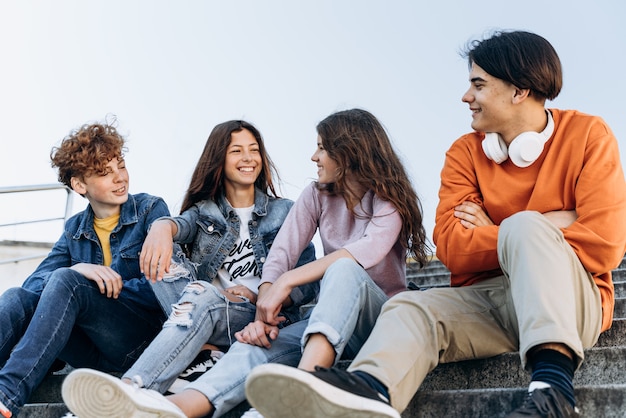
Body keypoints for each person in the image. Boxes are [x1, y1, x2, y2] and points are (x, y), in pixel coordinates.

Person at [243, 30, 626, 418]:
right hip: (492, 301)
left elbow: (606, 241)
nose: (466, 96)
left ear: (519, 90)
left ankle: (553, 392)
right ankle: (370, 391)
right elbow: (453, 249)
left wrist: (508, 227)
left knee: (525, 227)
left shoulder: (588, 135)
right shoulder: (464, 153)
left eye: (478, 84)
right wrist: (548, 223)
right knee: (411, 305)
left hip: (571, 299)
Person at [61, 108, 430, 418]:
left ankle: (307, 384)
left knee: (344, 270)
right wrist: (264, 308)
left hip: (378, 324)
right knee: (253, 347)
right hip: (319, 326)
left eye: (321, 149)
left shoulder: (388, 201)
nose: (314, 157)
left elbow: (359, 254)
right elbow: (282, 254)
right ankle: (168, 408)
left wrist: (280, 288)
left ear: (348, 153)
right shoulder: (315, 195)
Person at [61, 120, 317, 417]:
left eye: (254, 150)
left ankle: (129, 392)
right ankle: (202, 351)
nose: (248, 158)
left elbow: (307, 282)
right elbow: (179, 226)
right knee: (167, 261)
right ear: (219, 159)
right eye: (237, 150)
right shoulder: (203, 212)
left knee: (201, 294)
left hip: (262, 317)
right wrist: (160, 226)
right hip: (209, 311)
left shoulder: (285, 211)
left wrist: (261, 295)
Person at [0, 121, 171, 418]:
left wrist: (98, 286)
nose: (120, 178)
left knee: (68, 281)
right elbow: (34, 284)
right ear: (80, 185)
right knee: (17, 296)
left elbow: (161, 286)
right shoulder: (75, 229)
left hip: (137, 341)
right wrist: (81, 268)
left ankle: (6, 393)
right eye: (105, 172)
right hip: (90, 350)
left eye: (121, 166)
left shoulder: (149, 211)